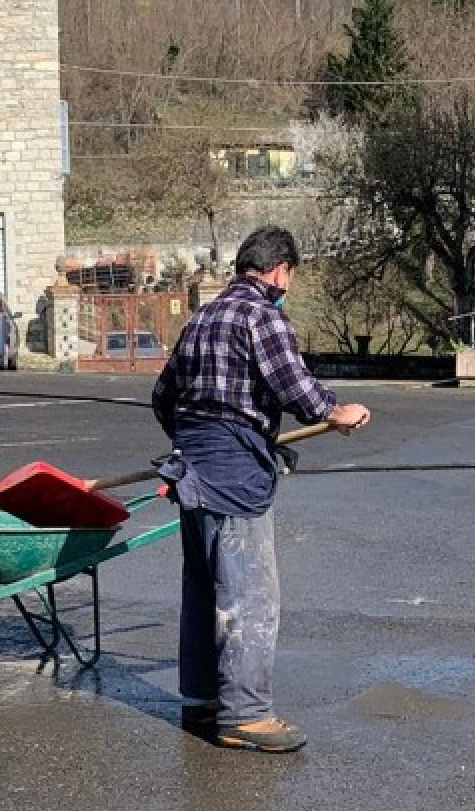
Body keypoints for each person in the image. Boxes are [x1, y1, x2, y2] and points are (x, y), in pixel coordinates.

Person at [150, 225, 371, 753]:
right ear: (279, 270)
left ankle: (205, 699)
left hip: (193, 469)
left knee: (204, 589)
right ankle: (245, 714)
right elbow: (293, 384)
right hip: (234, 475)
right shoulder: (262, 316)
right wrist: (335, 412)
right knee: (249, 594)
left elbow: (164, 396)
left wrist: (195, 441)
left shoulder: (201, 317)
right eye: (288, 275)